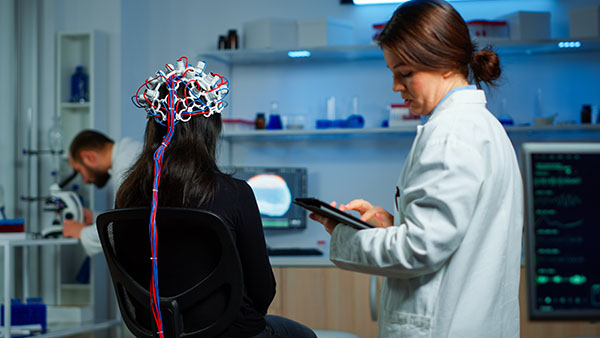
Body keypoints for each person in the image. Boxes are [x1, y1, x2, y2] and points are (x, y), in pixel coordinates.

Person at [310, 1, 523, 337]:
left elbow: (419, 250)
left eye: (405, 73)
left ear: (444, 63)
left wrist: (344, 236)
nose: (396, 86)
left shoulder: (451, 134)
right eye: (393, 73)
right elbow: (449, 236)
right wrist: (387, 225)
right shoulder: (482, 127)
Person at [115, 57, 316, 338]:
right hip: (233, 333)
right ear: (211, 129)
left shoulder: (127, 196)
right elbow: (263, 291)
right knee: (302, 334)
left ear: (153, 126)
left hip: (158, 332)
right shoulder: (234, 194)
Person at [64, 129, 142, 256]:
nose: (84, 180)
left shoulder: (126, 164)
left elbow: (122, 227)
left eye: (79, 170)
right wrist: (96, 217)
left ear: (89, 157)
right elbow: (132, 213)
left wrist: (81, 232)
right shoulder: (129, 152)